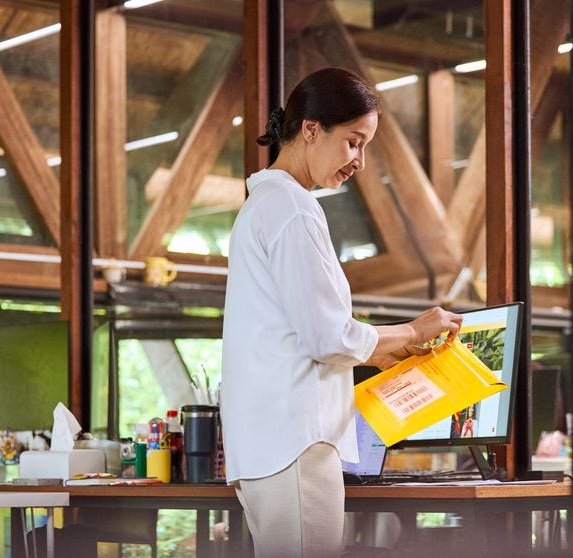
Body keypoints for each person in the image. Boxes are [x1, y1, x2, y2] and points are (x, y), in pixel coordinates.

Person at [221, 67, 463, 558]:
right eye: (354, 142)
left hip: (272, 443)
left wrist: (380, 354)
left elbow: (298, 332)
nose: (361, 161)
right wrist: (413, 329)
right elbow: (326, 336)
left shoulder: (266, 205)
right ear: (311, 129)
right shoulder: (293, 209)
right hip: (295, 441)